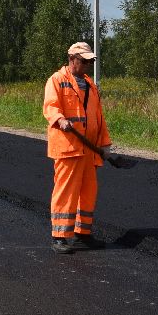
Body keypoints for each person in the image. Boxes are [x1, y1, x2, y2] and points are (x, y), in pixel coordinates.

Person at [42, 41, 113, 254]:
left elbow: (99, 117)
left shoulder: (90, 84)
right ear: (72, 59)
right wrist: (60, 119)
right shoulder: (57, 80)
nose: (88, 65)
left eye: (90, 62)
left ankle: (83, 234)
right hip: (69, 147)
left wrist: (105, 142)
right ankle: (60, 236)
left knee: (88, 191)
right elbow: (50, 106)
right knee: (66, 192)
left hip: (89, 150)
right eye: (84, 61)